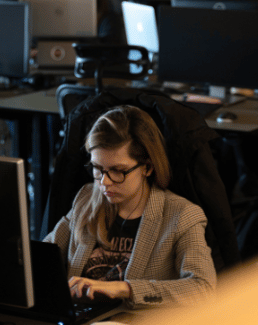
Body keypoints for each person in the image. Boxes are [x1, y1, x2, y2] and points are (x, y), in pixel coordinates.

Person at [43, 105, 216, 308]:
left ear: (147, 168)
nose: (104, 182)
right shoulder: (87, 200)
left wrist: (125, 288)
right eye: (98, 169)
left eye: (118, 171)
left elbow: (202, 289)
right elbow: (42, 257)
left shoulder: (181, 216)